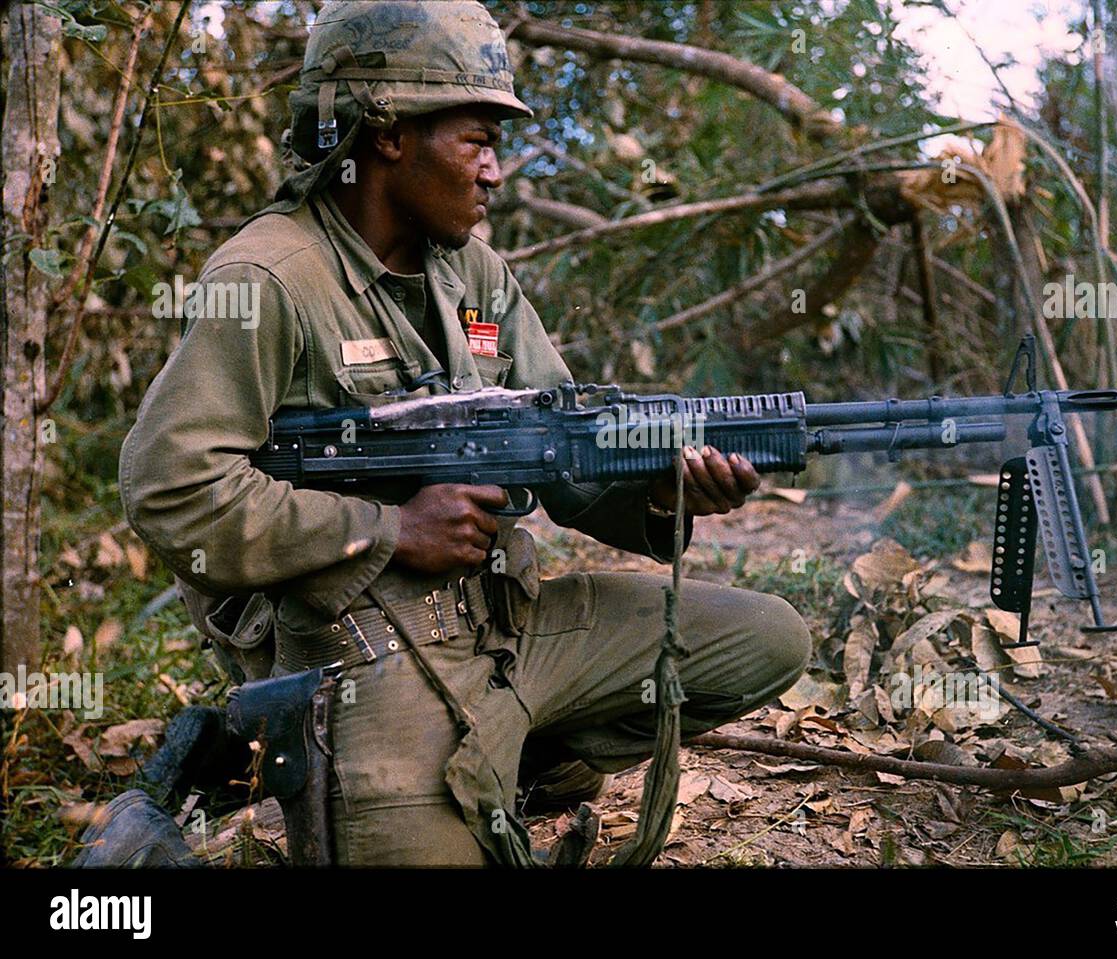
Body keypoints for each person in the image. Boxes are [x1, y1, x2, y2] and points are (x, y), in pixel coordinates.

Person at [115, 0, 810, 866]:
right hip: (358, 652)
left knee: (767, 638)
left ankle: (504, 754)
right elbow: (171, 489)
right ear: (388, 134)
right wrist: (389, 529)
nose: (493, 172)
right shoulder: (269, 278)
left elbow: (566, 446)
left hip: (500, 627)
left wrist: (665, 486)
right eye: (474, 141)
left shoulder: (475, 271)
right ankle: (311, 765)